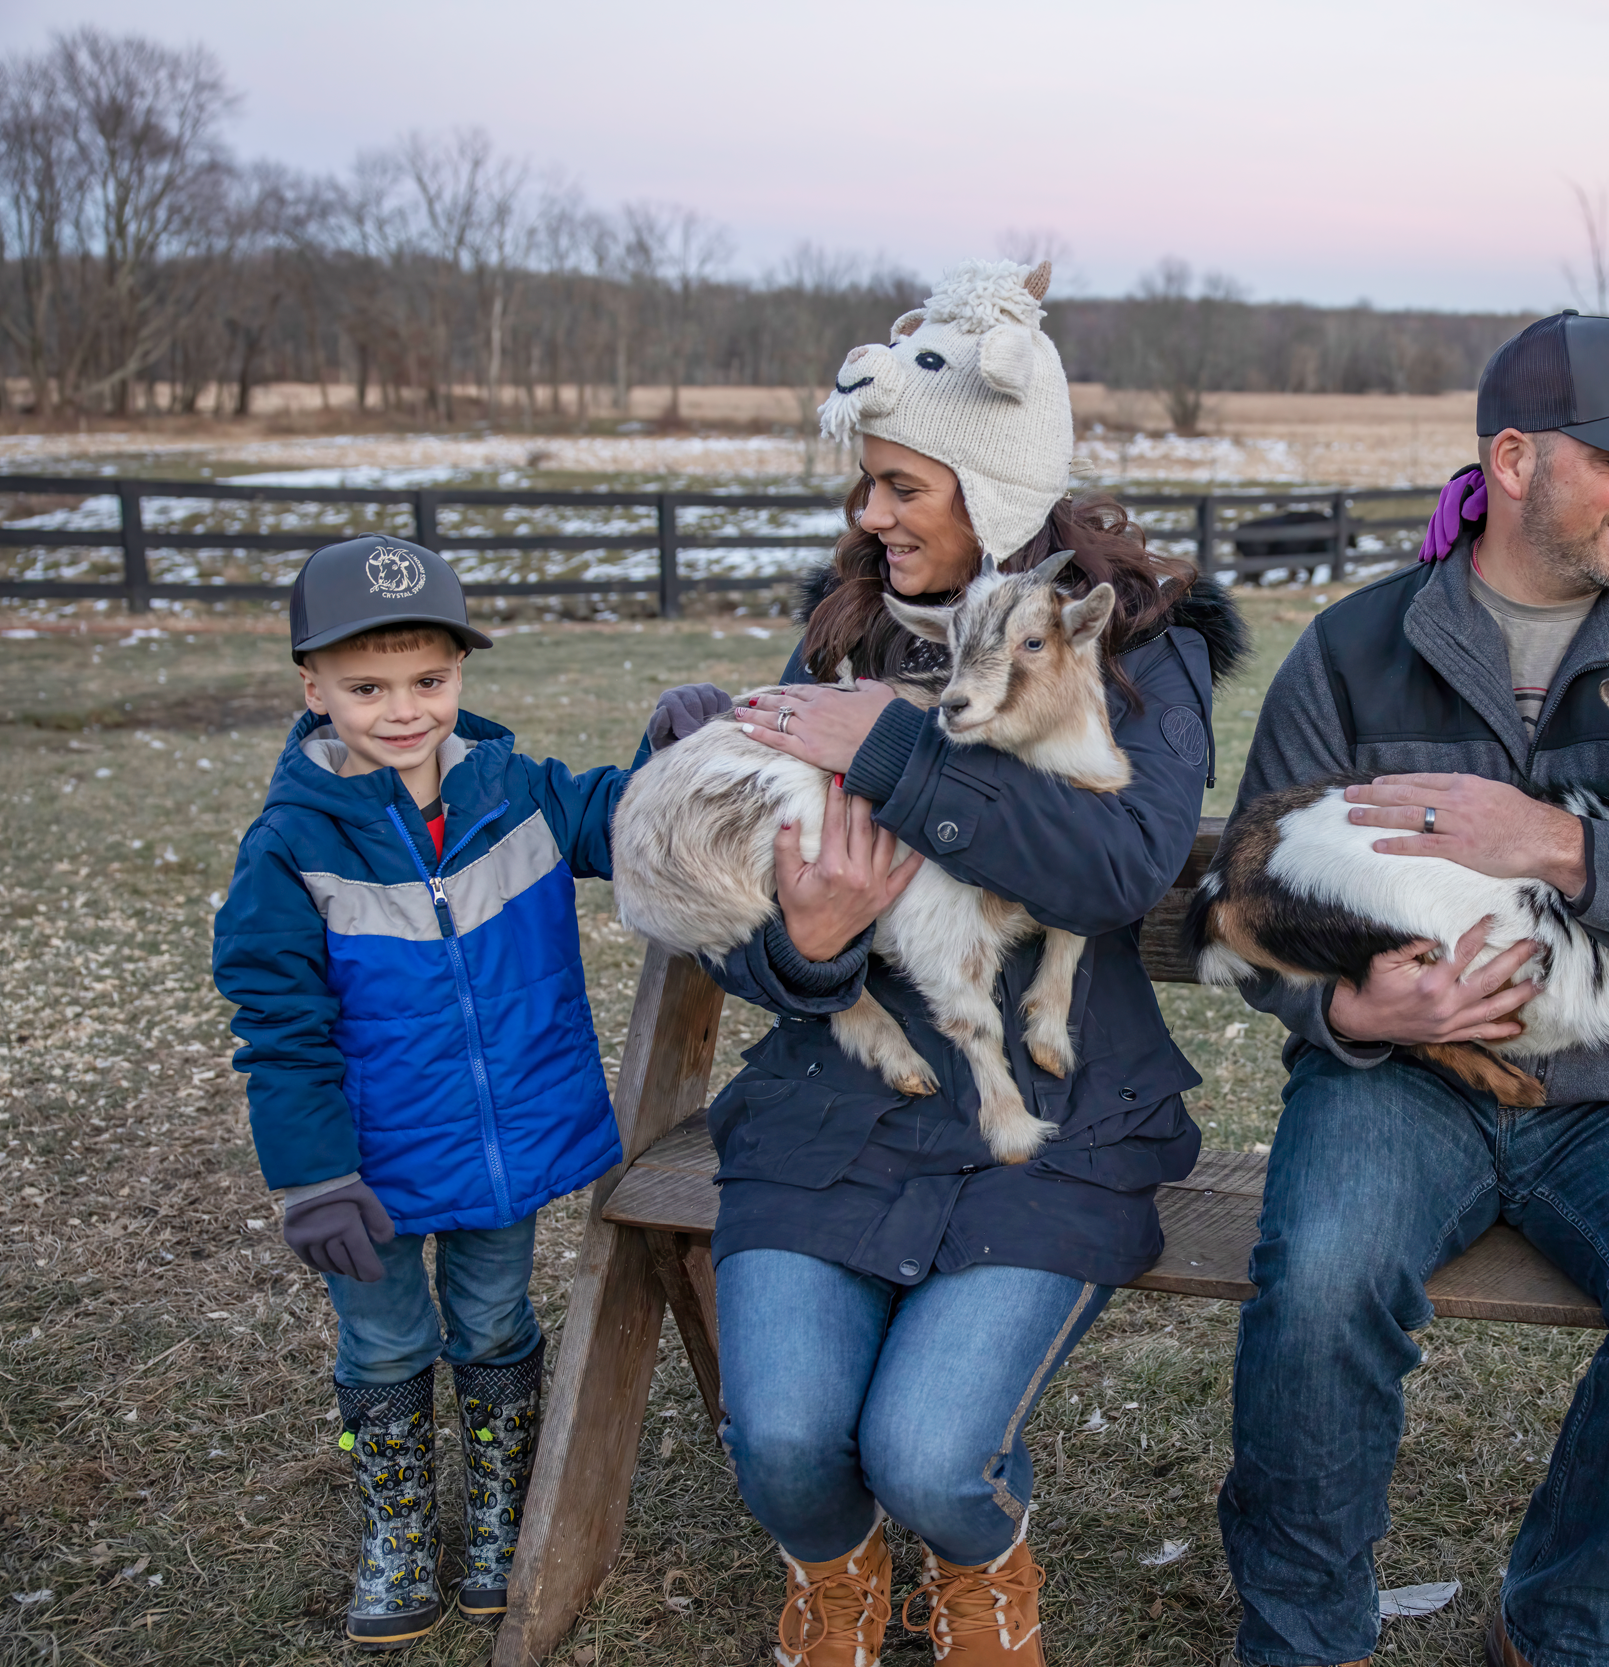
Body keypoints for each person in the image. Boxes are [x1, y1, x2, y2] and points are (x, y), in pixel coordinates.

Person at [1216, 310, 1609, 1667]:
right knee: (1321, 1275)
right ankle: (1302, 1637)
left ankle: (1563, 1631)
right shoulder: (1356, 646)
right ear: (1512, 458)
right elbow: (1260, 897)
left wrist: (1563, 844)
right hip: (1400, 1076)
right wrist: (1346, 1013)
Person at [660, 258, 1245, 1667]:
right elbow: (748, 874)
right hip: (835, 1103)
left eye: (901, 488)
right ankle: (837, 1573)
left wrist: (894, 745)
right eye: (867, 485)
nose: (867, 515)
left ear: (993, 491)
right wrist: (799, 950)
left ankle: (982, 1570)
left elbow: (1115, 869)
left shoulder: (1138, 651)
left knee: (927, 1453)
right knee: (789, 1440)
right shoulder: (844, 628)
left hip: (1050, 1119)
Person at [211, 536, 632, 1648]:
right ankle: (396, 1523)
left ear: (460, 674)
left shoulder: (518, 791)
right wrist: (312, 1176)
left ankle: (500, 1518)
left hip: (508, 1148)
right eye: (366, 687)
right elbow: (279, 1026)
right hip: (373, 1168)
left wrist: (681, 752)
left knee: (495, 1316)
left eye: (429, 681)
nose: (403, 710)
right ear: (314, 689)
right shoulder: (293, 843)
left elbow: (619, 816)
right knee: (386, 1341)